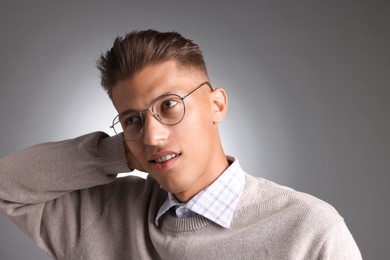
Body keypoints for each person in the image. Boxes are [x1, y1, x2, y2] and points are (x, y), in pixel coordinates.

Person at [0, 29, 361, 259]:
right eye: (133, 120)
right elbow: (7, 184)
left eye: (169, 105)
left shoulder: (308, 231)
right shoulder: (104, 217)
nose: (152, 136)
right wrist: (119, 153)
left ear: (216, 105)